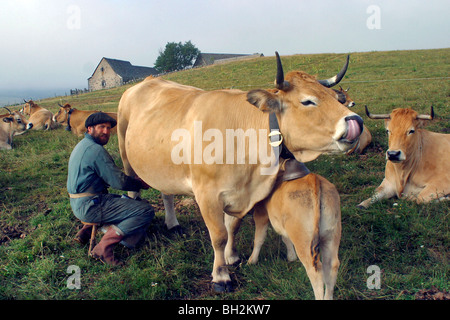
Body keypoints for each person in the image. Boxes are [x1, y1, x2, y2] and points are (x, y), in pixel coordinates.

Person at [67, 112, 154, 266]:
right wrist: (139, 183)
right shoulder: (96, 150)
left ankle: (87, 230)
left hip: (78, 202)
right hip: (90, 205)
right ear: (89, 129)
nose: (106, 131)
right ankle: (103, 248)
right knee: (145, 210)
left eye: (108, 128)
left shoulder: (83, 145)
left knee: (123, 201)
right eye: (101, 127)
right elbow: (118, 182)